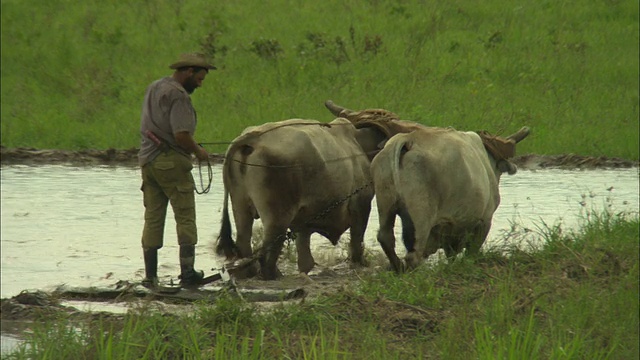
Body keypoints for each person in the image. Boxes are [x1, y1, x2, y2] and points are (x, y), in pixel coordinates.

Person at [137, 52, 215, 287]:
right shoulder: (179, 96)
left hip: (148, 162)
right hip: (171, 162)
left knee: (152, 218)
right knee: (185, 216)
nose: (200, 85)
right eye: (199, 79)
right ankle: (188, 273)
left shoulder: (155, 86)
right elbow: (181, 134)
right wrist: (198, 152)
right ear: (188, 72)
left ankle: (150, 277)